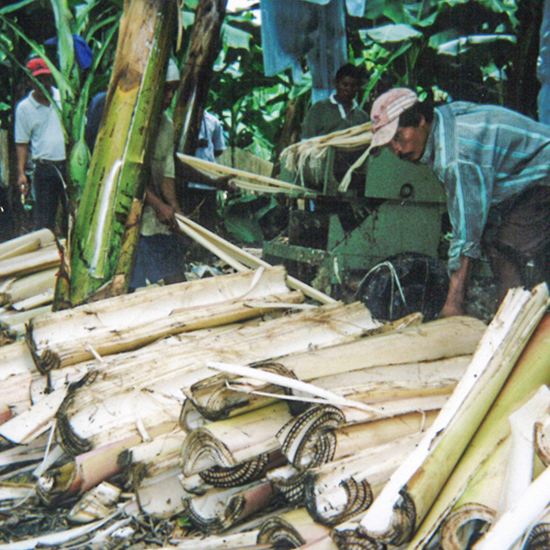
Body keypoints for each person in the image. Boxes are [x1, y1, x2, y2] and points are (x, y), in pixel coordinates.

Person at [369, 87, 550, 318]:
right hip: (533, 179)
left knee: (506, 251)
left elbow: (467, 232)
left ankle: (507, 330)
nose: (396, 149)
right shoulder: (445, 119)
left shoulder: (455, 155)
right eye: (389, 145)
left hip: (545, 174)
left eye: (398, 137)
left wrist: (454, 301)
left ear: (421, 120)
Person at [15, 57, 68, 234]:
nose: (43, 83)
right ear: (30, 81)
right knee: (44, 221)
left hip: (68, 166)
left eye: (46, 78)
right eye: (38, 79)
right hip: (44, 167)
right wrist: (22, 173)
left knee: (72, 214)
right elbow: (22, 142)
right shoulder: (24, 108)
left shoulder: (64, 97)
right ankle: (46, 257)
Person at [178, 110, 226, 229]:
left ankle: (205, 247)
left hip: (208, 181)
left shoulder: (213, 121)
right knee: (188, 219)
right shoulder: (181, 118)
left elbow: (218, 149)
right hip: (187, 181)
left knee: (208, 221)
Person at [301, 63, 369, 139]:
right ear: (336, 83)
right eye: (345, 85)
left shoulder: (362, 117)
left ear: (357, 88)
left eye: (353, 86)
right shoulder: (319, 109)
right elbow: (307, 140)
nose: (348, 89)